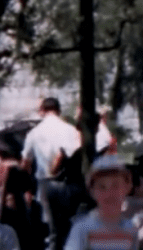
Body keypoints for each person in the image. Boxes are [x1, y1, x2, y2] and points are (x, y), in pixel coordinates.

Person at [20, 97, 81, 250]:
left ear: (43, 111)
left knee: (52, 230)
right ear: (58, 111)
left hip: (45, 185)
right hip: (69, 183)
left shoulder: (34, 133)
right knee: (69, 227)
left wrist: (27, 188)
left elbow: (25, 163)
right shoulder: (70, 129)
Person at [63, 156, 137, 250]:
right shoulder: (83, 229)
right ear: (92, 192)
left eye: (116, 185)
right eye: (102, 187)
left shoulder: (130, 229)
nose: (109, 193)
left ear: (127, 187)